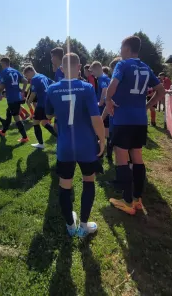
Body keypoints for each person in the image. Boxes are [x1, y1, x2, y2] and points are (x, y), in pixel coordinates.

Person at [45, 53, 105, 238]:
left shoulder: (52, 89)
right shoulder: (86, 88)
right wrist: (102, 140)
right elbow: (96, 119)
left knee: (64, 186)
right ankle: (84, 226)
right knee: (88, 181)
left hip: (64, 146)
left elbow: (48, 116)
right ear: (79, 66)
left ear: (61, 69)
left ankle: (71, 227)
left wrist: (60, 120)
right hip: (86, 145)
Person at [106, 36, 165, 215]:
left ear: (126, 48)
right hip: (140, 120)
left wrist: (108, 100)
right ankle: (138, 199)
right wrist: (146, 106)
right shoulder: (146, 67)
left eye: (121, 47)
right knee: (137, 157)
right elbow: (161, 91)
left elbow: (112, 86)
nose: (120, 50)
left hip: (123, 119)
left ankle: (127, 201)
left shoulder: (122, 65)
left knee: (122, 158)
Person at [0, 57, 29, 142]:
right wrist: (23, 91)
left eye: (1, 64)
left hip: (12, 99)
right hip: (17, 97)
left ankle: (25, 137)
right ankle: (3, 131)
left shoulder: (4, 72)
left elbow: (2, 86)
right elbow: (25, 81)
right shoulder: (15, 71)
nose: (1, 65)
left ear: (4, 63)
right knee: (8, 113)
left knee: (16, 118)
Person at [23, 66, 57, 149]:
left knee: (35, 122)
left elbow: (33, 93)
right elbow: (53, 83)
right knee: (44, 122)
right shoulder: (42, 76)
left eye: (27, 76)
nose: (28, 78)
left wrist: (28, 101)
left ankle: (41, 144)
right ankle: (61, 139)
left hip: (41, 104)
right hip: (48, 102)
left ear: (30, 71)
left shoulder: (34, 79)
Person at [90, 61, 112, 160]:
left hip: (103, 110)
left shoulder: (101, 78)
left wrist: (101, 102)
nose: (92, 74)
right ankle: (109, 154)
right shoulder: (106, 77)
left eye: (92, 71)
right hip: (107, 109)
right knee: (107, 134)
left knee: (99, 133)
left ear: (97, 68)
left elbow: (105, 89)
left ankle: (100, 155)